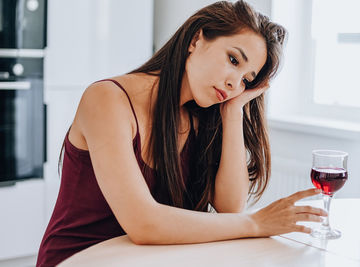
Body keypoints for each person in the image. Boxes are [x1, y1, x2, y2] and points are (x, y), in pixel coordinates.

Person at [37, 1, 327, 266]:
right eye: (233, 60)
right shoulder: (106, 99)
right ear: (196, 39)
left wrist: (233, 111)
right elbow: (143, 223)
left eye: (245, 80)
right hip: (77, 260)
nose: (233, 83)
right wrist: (257, 223)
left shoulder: (202, 116)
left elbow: (230, 206)